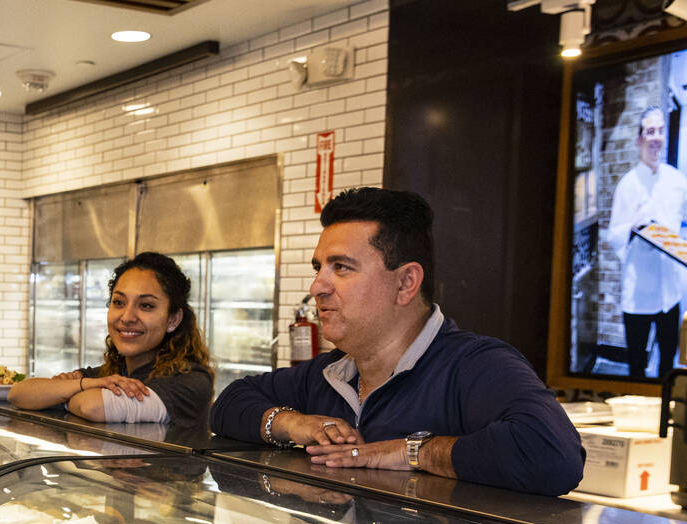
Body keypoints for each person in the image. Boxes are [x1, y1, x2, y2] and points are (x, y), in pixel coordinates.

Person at [210, 186, 584, 496]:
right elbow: (228, 404)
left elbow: (554, 457)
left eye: (341, 267)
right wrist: (293, 424)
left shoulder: (475, 365)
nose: (317, 287)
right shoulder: (330, 373)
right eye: (318, 268)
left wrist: (412, 451)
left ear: (406, 283)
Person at [8, 252, 213, 425]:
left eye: (146, 305)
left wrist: (64, 392)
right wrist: (84, 385)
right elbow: (19, 393)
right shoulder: (109, 375)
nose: (127, 317)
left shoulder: (191, 381)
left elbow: (93, 406)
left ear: (173, 319)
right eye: (119, 302)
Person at [606, 106, 687, 379]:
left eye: (661, 131)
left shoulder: (677, 181)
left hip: (671, 291)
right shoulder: (628, 184)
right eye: (650, 131)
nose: (656, 137)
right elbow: (613, 234)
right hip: (639, 291)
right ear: (640, 139)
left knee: (668, 362)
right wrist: (632, 227)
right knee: (637, 364)